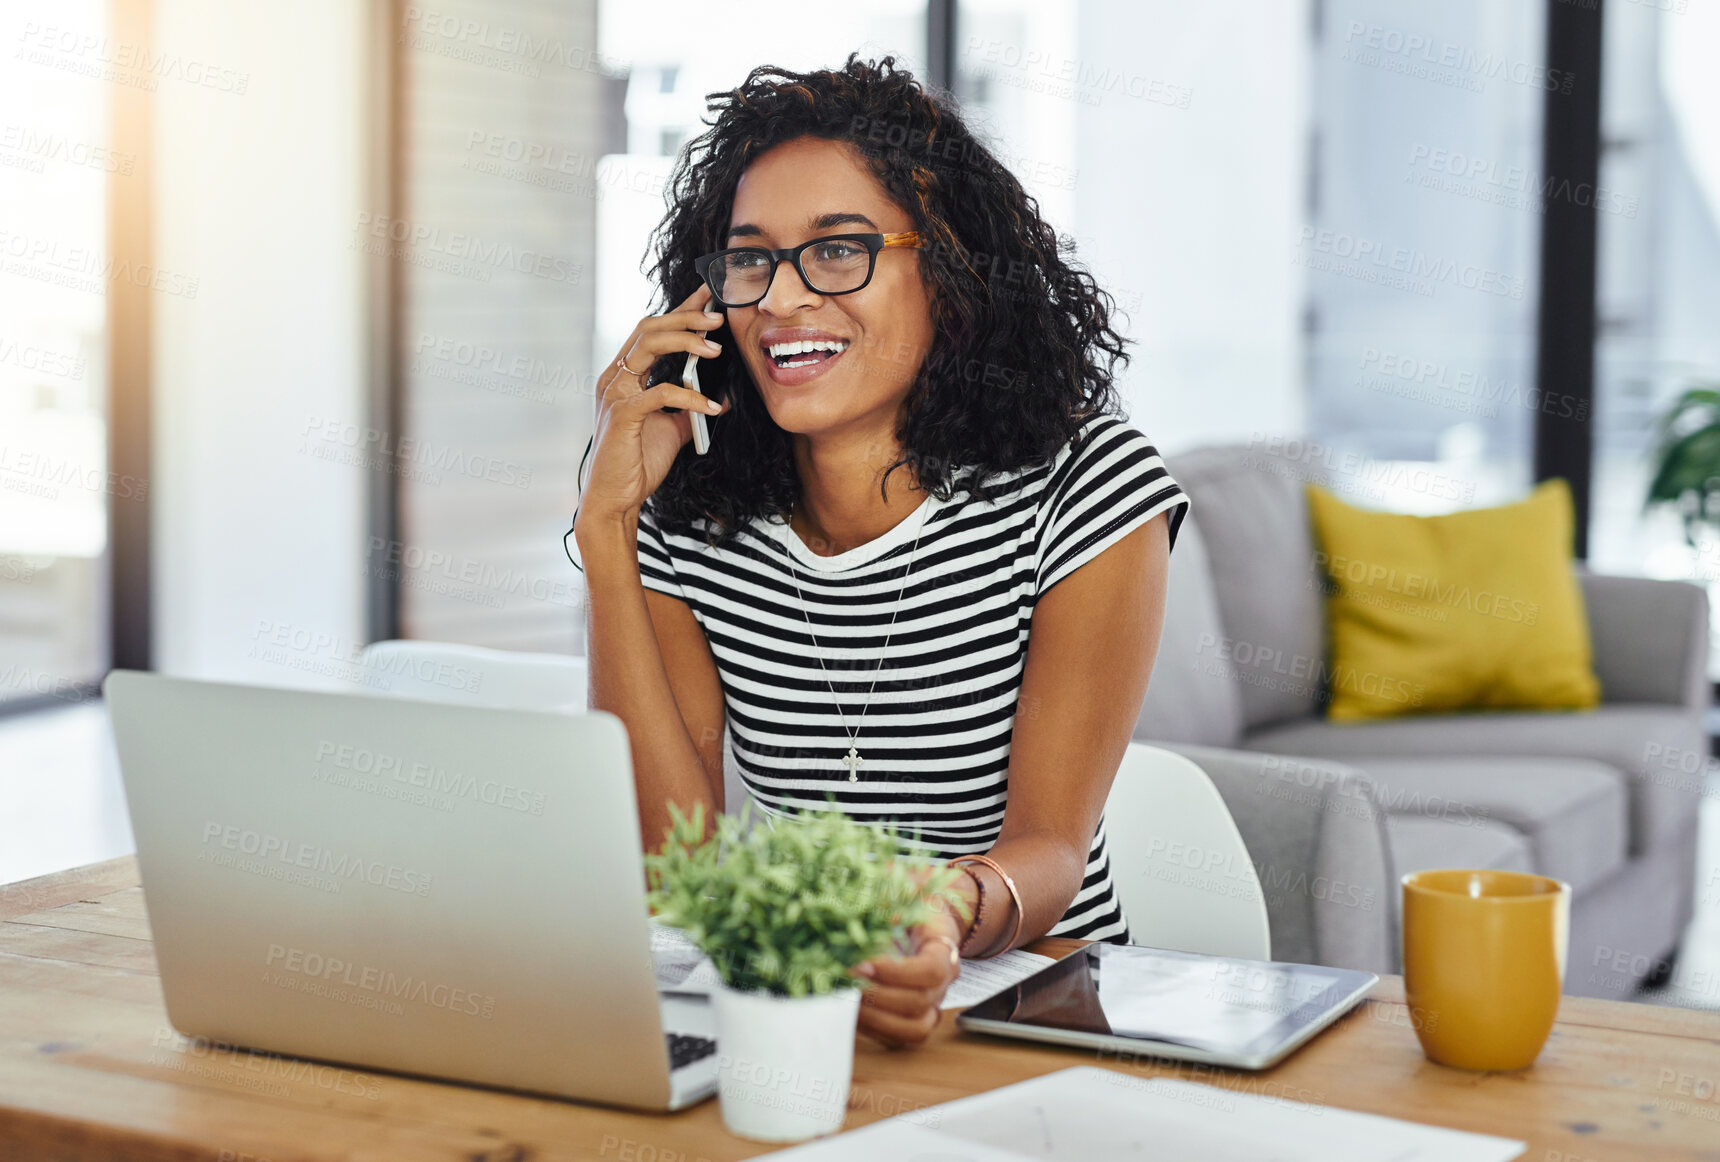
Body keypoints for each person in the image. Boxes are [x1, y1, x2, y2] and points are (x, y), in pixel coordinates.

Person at [573, 54, 1187, 1049]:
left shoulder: (1085, 484)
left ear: (946, 271)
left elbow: (1049, 844)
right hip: (800, 1012)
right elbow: (670, 865)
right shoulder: (694, 509)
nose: (778, 299)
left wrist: (942, 911)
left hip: (1036, 1016)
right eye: (749, 258)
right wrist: (608, 528)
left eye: (838, 251)